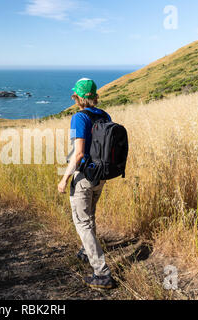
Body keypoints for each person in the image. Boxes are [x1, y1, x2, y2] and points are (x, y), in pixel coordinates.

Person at [57, 78, 116, 289]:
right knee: (89, 216)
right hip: (100, 176)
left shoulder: (79, 118)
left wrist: (64, 179)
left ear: (78, 97)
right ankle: (85, 251)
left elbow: (79, 153)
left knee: (82, 223)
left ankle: (102, 274)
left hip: (83, 177)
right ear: (94, 96)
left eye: (74, 96)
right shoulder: (104, 115)